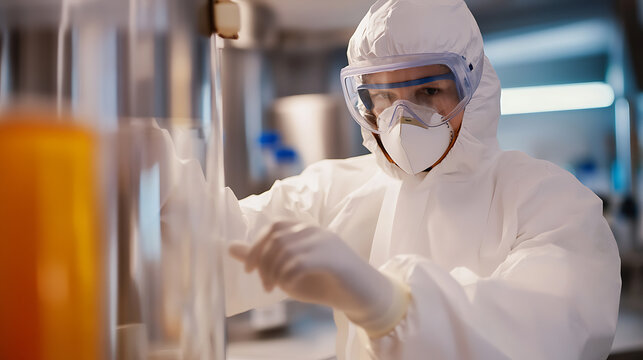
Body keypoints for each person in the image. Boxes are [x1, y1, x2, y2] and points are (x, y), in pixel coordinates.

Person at [223, 0, 621, 359]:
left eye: (429, 91)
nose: (402, 119)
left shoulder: (550, 202)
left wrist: (391, 306)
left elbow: (543, 331)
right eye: (383, 97)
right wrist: (166, 188)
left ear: (474, 89)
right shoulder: (338, 190)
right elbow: (217, 246)